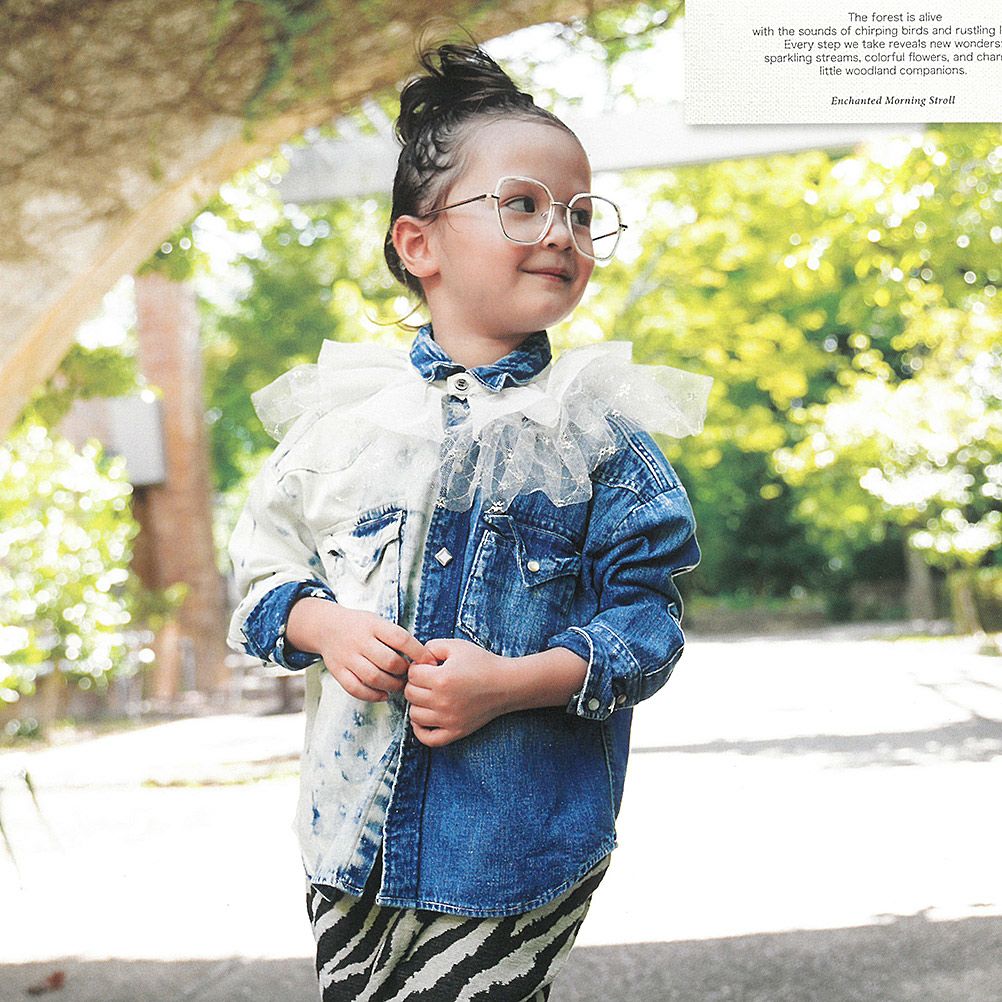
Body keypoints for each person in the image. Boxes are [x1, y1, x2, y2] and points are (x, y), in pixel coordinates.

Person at [226, 41, 713, 1002]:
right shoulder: (344, 426)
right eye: (523, 204)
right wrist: (324, 625)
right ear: (420, 245)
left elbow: (648, 627)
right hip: (350, 839)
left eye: (581, 212)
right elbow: (260, 572)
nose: (562, 232)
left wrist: (512, 683)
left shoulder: (598, 440)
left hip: (511, 848)